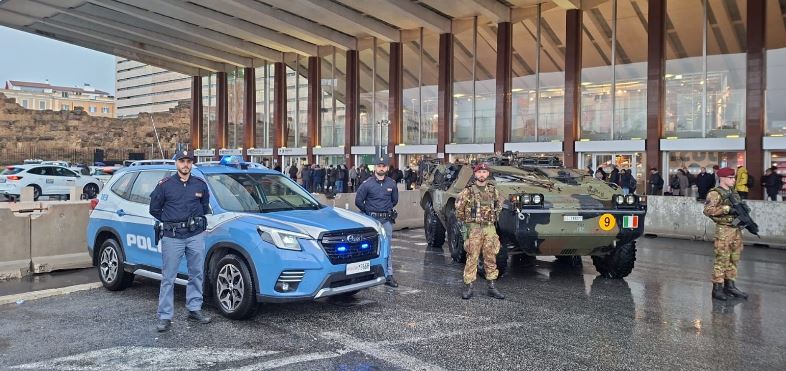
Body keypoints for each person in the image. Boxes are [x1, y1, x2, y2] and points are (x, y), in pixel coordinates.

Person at [149, 150, 212, 333]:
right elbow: (154, 209)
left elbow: (203, 207)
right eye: (182, 161)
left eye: (189, 161)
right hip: (173, 236)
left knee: (196, 273)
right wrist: (171, 220)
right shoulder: (165, 185)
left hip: (195, 235)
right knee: (168, 277)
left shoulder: (200, 184)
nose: (185, 164)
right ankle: (165, 316)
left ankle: (194, 309)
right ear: (176, 163)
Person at [455, 162, 505, 300]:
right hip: (474, 228)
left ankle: (492, 287)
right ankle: (469, 287)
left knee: (491, 257)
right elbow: (459, 212)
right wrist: (466, 231)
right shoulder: (467, 191)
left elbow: (499, 206)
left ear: (488, 174)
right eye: (479, 172)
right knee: (472, 257)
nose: (482, 174)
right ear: (475, 174)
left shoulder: (493, 191)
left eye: (484, 172)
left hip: (489, 228)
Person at [703, 167, 749, 301]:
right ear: (722, 178)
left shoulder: (733, 192)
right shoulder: (715, 193)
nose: (733, 180)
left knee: (734, 258)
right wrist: (727, 208)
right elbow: (707, 210)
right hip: (724, 230)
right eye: (730, 178)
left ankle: (730, 285)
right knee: (722, 259)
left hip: (736, 229)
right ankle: (717, 288)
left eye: (734, 178)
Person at [355, 156, 399, 288]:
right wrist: (368, 212)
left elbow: (395, 200)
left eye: (383, 166)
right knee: (367, 248)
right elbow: (358, 201)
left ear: (387, 168)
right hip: (372, 221)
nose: (381, 168)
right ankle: (365, 277)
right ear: (375, 168)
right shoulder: (367, 184)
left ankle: (388, 275)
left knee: (387, 249)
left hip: (386, 221)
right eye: (379, 166)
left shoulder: (392, 183)